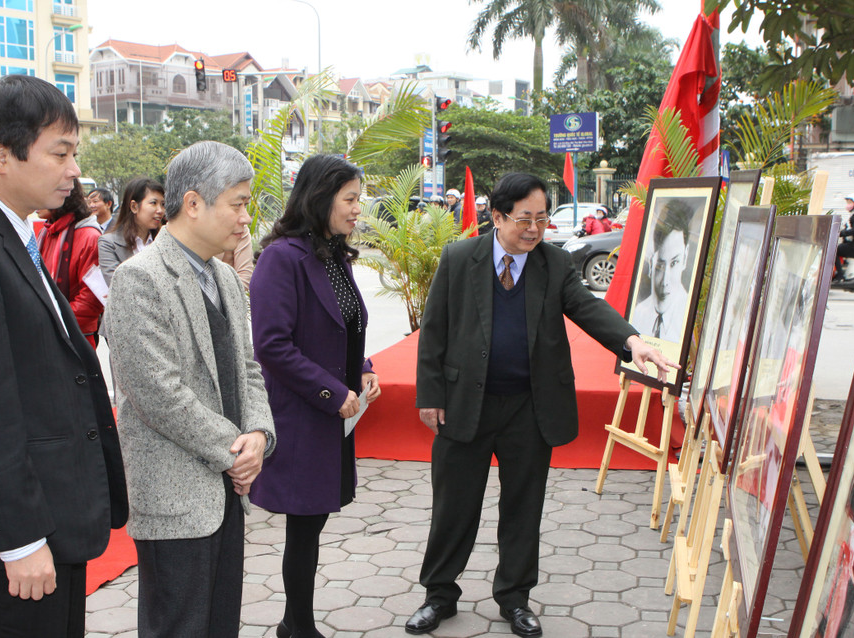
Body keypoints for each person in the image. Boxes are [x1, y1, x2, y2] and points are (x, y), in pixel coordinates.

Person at [407, 172, 675, 637]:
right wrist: (429, 395)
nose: (534, 229)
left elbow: (587, 307)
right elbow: (434, 331)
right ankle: (439, 596)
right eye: (524, 219)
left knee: (523, 507)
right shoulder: (460, 258)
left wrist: (633, 342)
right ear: (497, 217)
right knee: (454, 506)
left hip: (528, 408)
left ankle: (514, 598)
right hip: (465, 402)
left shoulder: (553, 262)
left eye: (542, 218)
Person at [0, 74, 128, 638]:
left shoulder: (13, 231)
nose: (74, 171)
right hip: (18, 532)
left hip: (54, 510)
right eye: (60, 153)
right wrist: (20, 540)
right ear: (2, 156)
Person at [105, 140, 276, 638]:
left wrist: (259, 434)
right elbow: (159, 394)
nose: (245, 218)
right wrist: (236, 450)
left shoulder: (225, 277)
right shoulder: (139, 279)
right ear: (194, 203)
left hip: (227, 489)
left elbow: (248, 368)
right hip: (175, 497)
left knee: (221, 623)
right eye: (238, 204)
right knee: (178, 627)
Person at [250, 154, 381, 638]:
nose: (357, 209)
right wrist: (331, 391)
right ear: (321, 198)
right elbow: (272, 345)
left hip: (332, 412)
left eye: (358, 199)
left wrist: (363, 368)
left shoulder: (333, 253)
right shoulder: (282, 258)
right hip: (303, 413)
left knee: (314, 521)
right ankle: (298, 626)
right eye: (350, 199)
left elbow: (342, 326)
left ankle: (294, 623)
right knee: (304, 526)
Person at [37, 179, 104, 349]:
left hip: (76, 337)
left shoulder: (89, 237)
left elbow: (91, 299)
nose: (34, 200)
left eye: (40, 192)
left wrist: (54, 320)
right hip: (48, 334)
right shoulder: (46, 232)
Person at [630, 199, 692, 342]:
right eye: (660, 265)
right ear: (651, 262)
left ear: (685, 257)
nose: (665, 281)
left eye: (674, 263)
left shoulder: (692, 319)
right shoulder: (638, 314)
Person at [97, 177, 164, 286]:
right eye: (153, 203)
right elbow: (118, 285)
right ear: (134, 207)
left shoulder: (164, 242)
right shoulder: (108, 244)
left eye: (163, 204)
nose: (160, 210)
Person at [836, 193, 854, 278]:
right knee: (837, 248)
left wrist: (841, 233)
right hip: (851, 244)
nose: (847, 205)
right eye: (847, 203)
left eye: (850, 203)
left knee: (834, 251)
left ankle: (840, 275)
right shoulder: (853, 214)